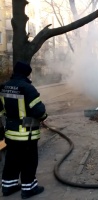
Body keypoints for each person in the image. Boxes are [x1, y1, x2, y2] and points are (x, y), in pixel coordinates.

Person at [1, 61, 47, 199]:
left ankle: (8, 186)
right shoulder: (28, 88)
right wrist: (44, 116)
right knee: (29, 161)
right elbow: (39, 112)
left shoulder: (3, 87)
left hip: (10, 132)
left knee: (12, 159)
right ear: (27, 73)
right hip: (26, 134)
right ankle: (29, 188)